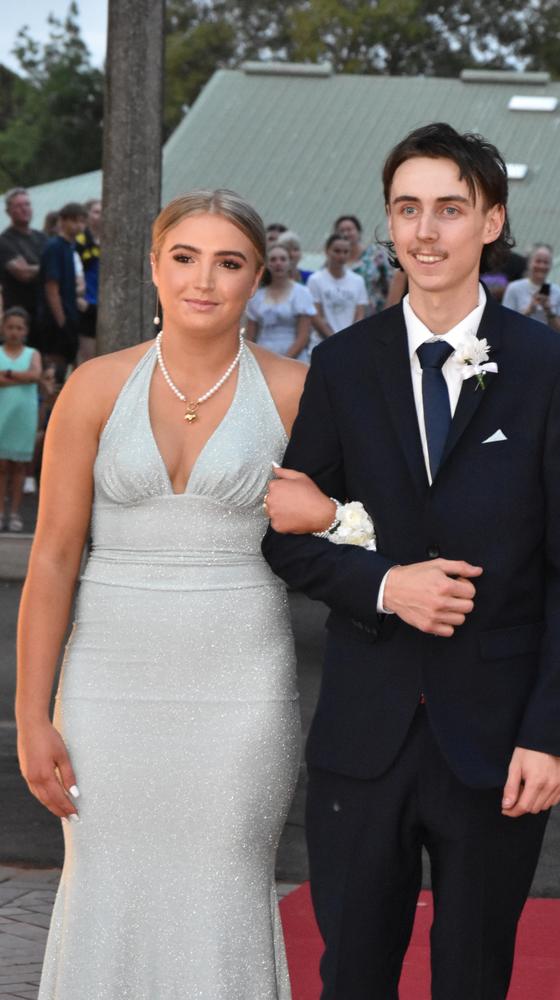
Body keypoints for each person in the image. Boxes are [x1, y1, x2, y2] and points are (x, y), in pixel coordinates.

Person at [262, 122, 560, 1000]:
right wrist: (386, 583)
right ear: (387, 223)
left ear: (491, 221)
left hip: (498, 742)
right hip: (362, 737)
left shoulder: (553, 370)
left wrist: (552, 733)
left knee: (473, 976)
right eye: (407, 209)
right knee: (352, 977)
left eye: (450, 209)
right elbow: (286, 534)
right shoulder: (340, 366)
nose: (425, 231)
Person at [16, 189, 310, 999]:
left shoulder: (296, 391)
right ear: (151, 266)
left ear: (259, 277)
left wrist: (333, 517)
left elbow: (366, 526)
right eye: (184, 257)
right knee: (105, 884)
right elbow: (51, 562)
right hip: (109, 686)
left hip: (240, 688)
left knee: (221, 883)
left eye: (229, 262)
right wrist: (32, 716)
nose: (203, 280)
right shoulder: (93, 388)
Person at [0, 308, 42, 531]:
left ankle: (14, 512)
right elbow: (28, 377)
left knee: (19, 467)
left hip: (23, 416)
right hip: (2, 415)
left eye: (19, 328)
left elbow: (35, 375)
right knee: (2, 466)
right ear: (3, 328)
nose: (14, 332)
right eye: (10, 327)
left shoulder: (32, 353)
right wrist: (21, 377)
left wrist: (6, 375)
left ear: (25, 331)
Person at [37, 202, 87, 378]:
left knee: (68, 366)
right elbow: (51, 288)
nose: (78, 225)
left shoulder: (70, 248)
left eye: (81, 221)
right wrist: (61, 322)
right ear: (62, 221)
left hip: (69, 314)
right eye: (73, 220)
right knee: (55, 370)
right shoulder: (54, 247)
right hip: (55, 319)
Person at [246, 242, 316, 360]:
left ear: (290, 263)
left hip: (294, 358)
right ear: (267, 264)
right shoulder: (257, 296)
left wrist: (283, 361)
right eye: (273, 259)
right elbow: (251, 336)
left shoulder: (302, 293)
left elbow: (303, 336)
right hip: (263, 356)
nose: (278, 263)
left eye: (283, 259)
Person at [306, 234, 368, 341]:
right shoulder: (315, 280)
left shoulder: (358, 281)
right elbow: (315, 315)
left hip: (350, 341)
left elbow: (360, 314)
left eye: (345, 252)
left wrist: (350, 336)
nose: (341, 256)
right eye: (337, 251)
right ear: (327, 251)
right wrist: (333, 338)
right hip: (322, 341)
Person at [0, 188, 47, 327]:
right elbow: (23, 274)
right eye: (18, 206)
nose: (24, 209)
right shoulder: (4, 241)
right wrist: (47, 269)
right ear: (8, 211)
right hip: (19, 317)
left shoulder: (42, 237)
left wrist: (34, 268)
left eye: (27, 204)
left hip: (45, 310)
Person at [502, 243, 560, 332]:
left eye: (546, 262)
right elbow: (506, 323)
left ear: (551, 265)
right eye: (538, 261)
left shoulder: (558, 292)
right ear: (529, 263)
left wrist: (549, 311)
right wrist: (529, 310)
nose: (542, 266)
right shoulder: (514, 288)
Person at [335, 214, 390, 313]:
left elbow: (391, 280)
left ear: (358, 232)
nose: (346, 234)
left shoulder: (375, 254)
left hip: (376, 312)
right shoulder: (335, 261)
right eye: (341, 231)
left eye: (349, 229)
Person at [75, 199, 102, 363]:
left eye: (103, 211)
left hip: (108, 304)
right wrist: (78, 298)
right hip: (87, 304)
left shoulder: (114, 239)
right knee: (89, 358)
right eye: (96, 212)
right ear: (87, 216)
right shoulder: (79, 241)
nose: (101, 216)